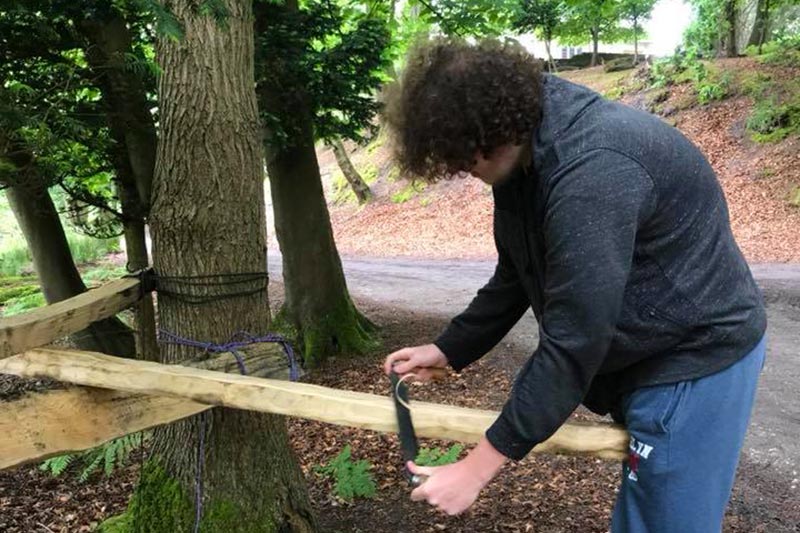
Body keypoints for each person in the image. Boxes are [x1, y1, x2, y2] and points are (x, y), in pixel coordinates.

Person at [381, 38, 767, 532]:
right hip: (647, 348)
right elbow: (516, 273)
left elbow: (576, 340)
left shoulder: (592, 168)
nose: (462, 172)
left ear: (487, 132)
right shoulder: (524, 159)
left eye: (462, 159)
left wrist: (476, 470)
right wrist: (449, 348)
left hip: (697, 356)